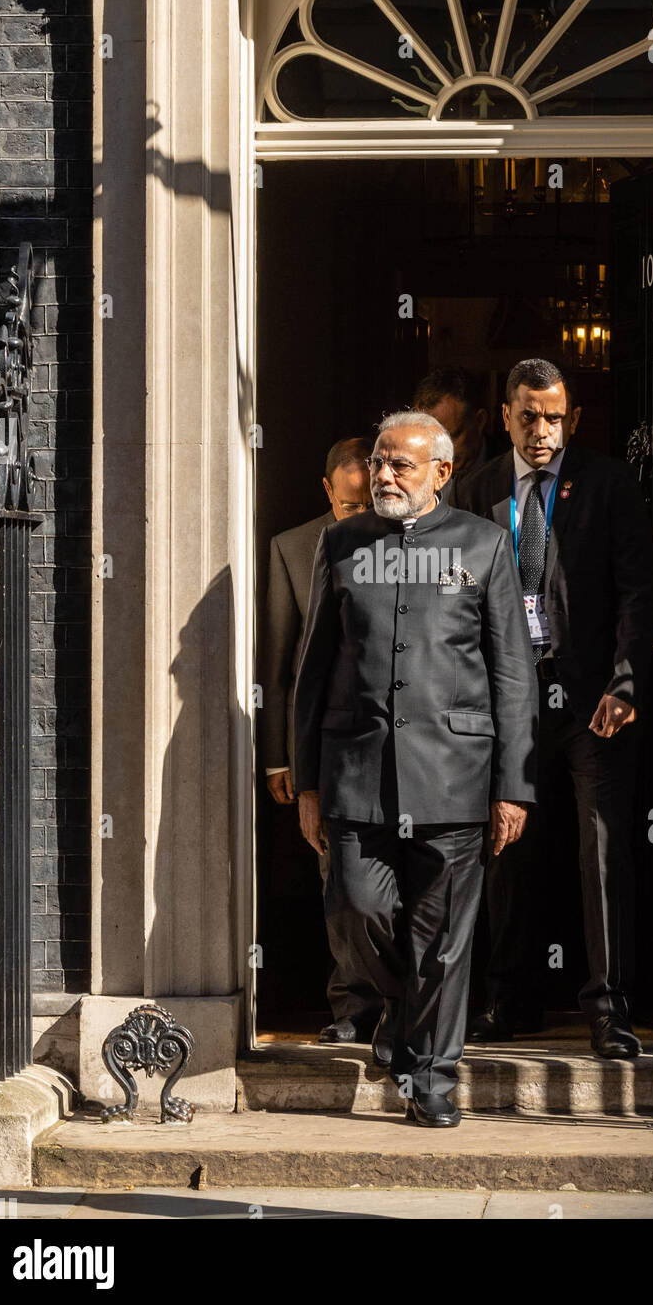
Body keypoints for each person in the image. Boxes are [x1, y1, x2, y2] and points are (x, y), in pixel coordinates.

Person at [293, 412, 537, 1127]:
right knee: (355, 909)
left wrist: (513, 785)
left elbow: (513, 675)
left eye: (400, 464)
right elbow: (312, 670)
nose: (383, 474)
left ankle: (431, 1073)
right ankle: (402, 1017)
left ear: (440, 472)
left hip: (456, 777)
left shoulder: (485, 544)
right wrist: (307, 780)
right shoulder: (340, 542)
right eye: (378, 461)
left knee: (442, 940)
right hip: (353, 773)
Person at [455, 358, 653, 1057]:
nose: (541, 431)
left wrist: (626, 681)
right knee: (506, 851)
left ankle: (607, 1008)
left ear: (569, 419)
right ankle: (506, 1000)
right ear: (504, 416)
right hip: (503, 700)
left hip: (591, 699)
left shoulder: (605, 482)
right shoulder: (476, 489)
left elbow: (637, 591)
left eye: (553, 418)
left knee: (600, 850)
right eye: (527, 417)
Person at [263, 435, 379, 1044]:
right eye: (348, 505)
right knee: (339, 878)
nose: (360, 517)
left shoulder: (404, 544)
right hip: (328, 748)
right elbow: (281, 662)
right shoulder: (292, 548)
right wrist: (280, 758)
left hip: (395, 744)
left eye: (370, 506)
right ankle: (352, 1007)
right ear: (328, 491)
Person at [413, 367, 506, 478]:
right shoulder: (413, 471)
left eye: (452, 435)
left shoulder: (511, 470)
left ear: (480, 421)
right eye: (430, 439)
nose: (440, 452)